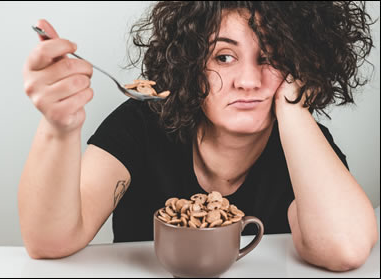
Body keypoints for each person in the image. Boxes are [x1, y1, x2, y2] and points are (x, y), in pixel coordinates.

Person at [19, 1, 378, 272]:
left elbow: (343, 248)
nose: (248, 81)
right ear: (190, 63)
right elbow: (51, 241)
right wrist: (59, 126)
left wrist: (294, 107)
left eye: (271, 57)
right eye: (224, 57)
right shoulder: (140, 125)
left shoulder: (305, 145)